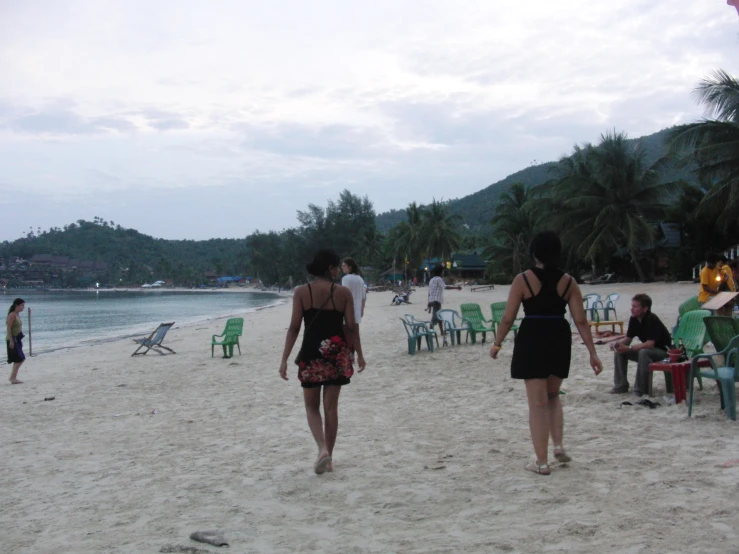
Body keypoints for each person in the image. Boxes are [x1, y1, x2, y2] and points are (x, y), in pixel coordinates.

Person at [490, 231, 602, 476]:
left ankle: (541, 462)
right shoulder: (569, 282)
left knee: (537, 404)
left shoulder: (523, 279)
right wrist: (593, 354)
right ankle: (558, 446)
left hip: (533, 336)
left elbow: (508, 317)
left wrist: (497, 343)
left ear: (534, 254)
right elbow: (581, 320)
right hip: (558, 336)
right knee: (552, 396)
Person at [279, 250, 366, 474]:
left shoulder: (301, 292)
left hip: (311, 354)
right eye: (336, 266)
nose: (338, 270)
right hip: (336, 353)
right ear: (330, 268)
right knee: (331, 408)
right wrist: (358, 354)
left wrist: (284, 359)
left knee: (311, 406)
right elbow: (351, 327)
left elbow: (294, 327)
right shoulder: (343, 293)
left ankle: (321, 449)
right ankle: (329, 457)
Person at [609, 293, 671, 397]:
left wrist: (628, 348)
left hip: (664, 353)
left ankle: (640, 390)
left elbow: (650, 344)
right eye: (632, 306)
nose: (631, 309)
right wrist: (617, 344)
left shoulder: (651, 319)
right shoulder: (634, 319)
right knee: (620, 351)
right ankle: (621, 385)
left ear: (645, 308)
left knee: (644, 352)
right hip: (649, 352)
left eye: (635, 306)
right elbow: (628, 338)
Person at [341, 258, 366, 326]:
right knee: (355, 332)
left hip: (348, 311)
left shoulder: (345, 279)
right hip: (357, 311)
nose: (342, 267)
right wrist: (362, 310)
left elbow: (345, 295)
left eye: (344, 266)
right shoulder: (360, 279)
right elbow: (363, 297)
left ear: (350, 267)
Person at [7, 298, 26, 384]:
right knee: (19, 358)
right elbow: (9, 328)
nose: (23, 307)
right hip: (13, 339)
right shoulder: (12, 315)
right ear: (17, 306)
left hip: (18, 339)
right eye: (22, 305)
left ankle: (13, 377)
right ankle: (12, 377)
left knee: (20, 358)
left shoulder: (17, 314)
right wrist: (11, 340)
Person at [427, 265, 446, 338]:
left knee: (438, 316)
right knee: (435, 317)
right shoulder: (439, 279)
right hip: (437, 301)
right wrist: (456, 287)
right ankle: (430, 332)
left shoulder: (431, 280)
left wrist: (428, 301)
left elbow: (429, 291)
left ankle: (441, 332)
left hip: (432, 300)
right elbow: (445, 287)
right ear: (440, 272)